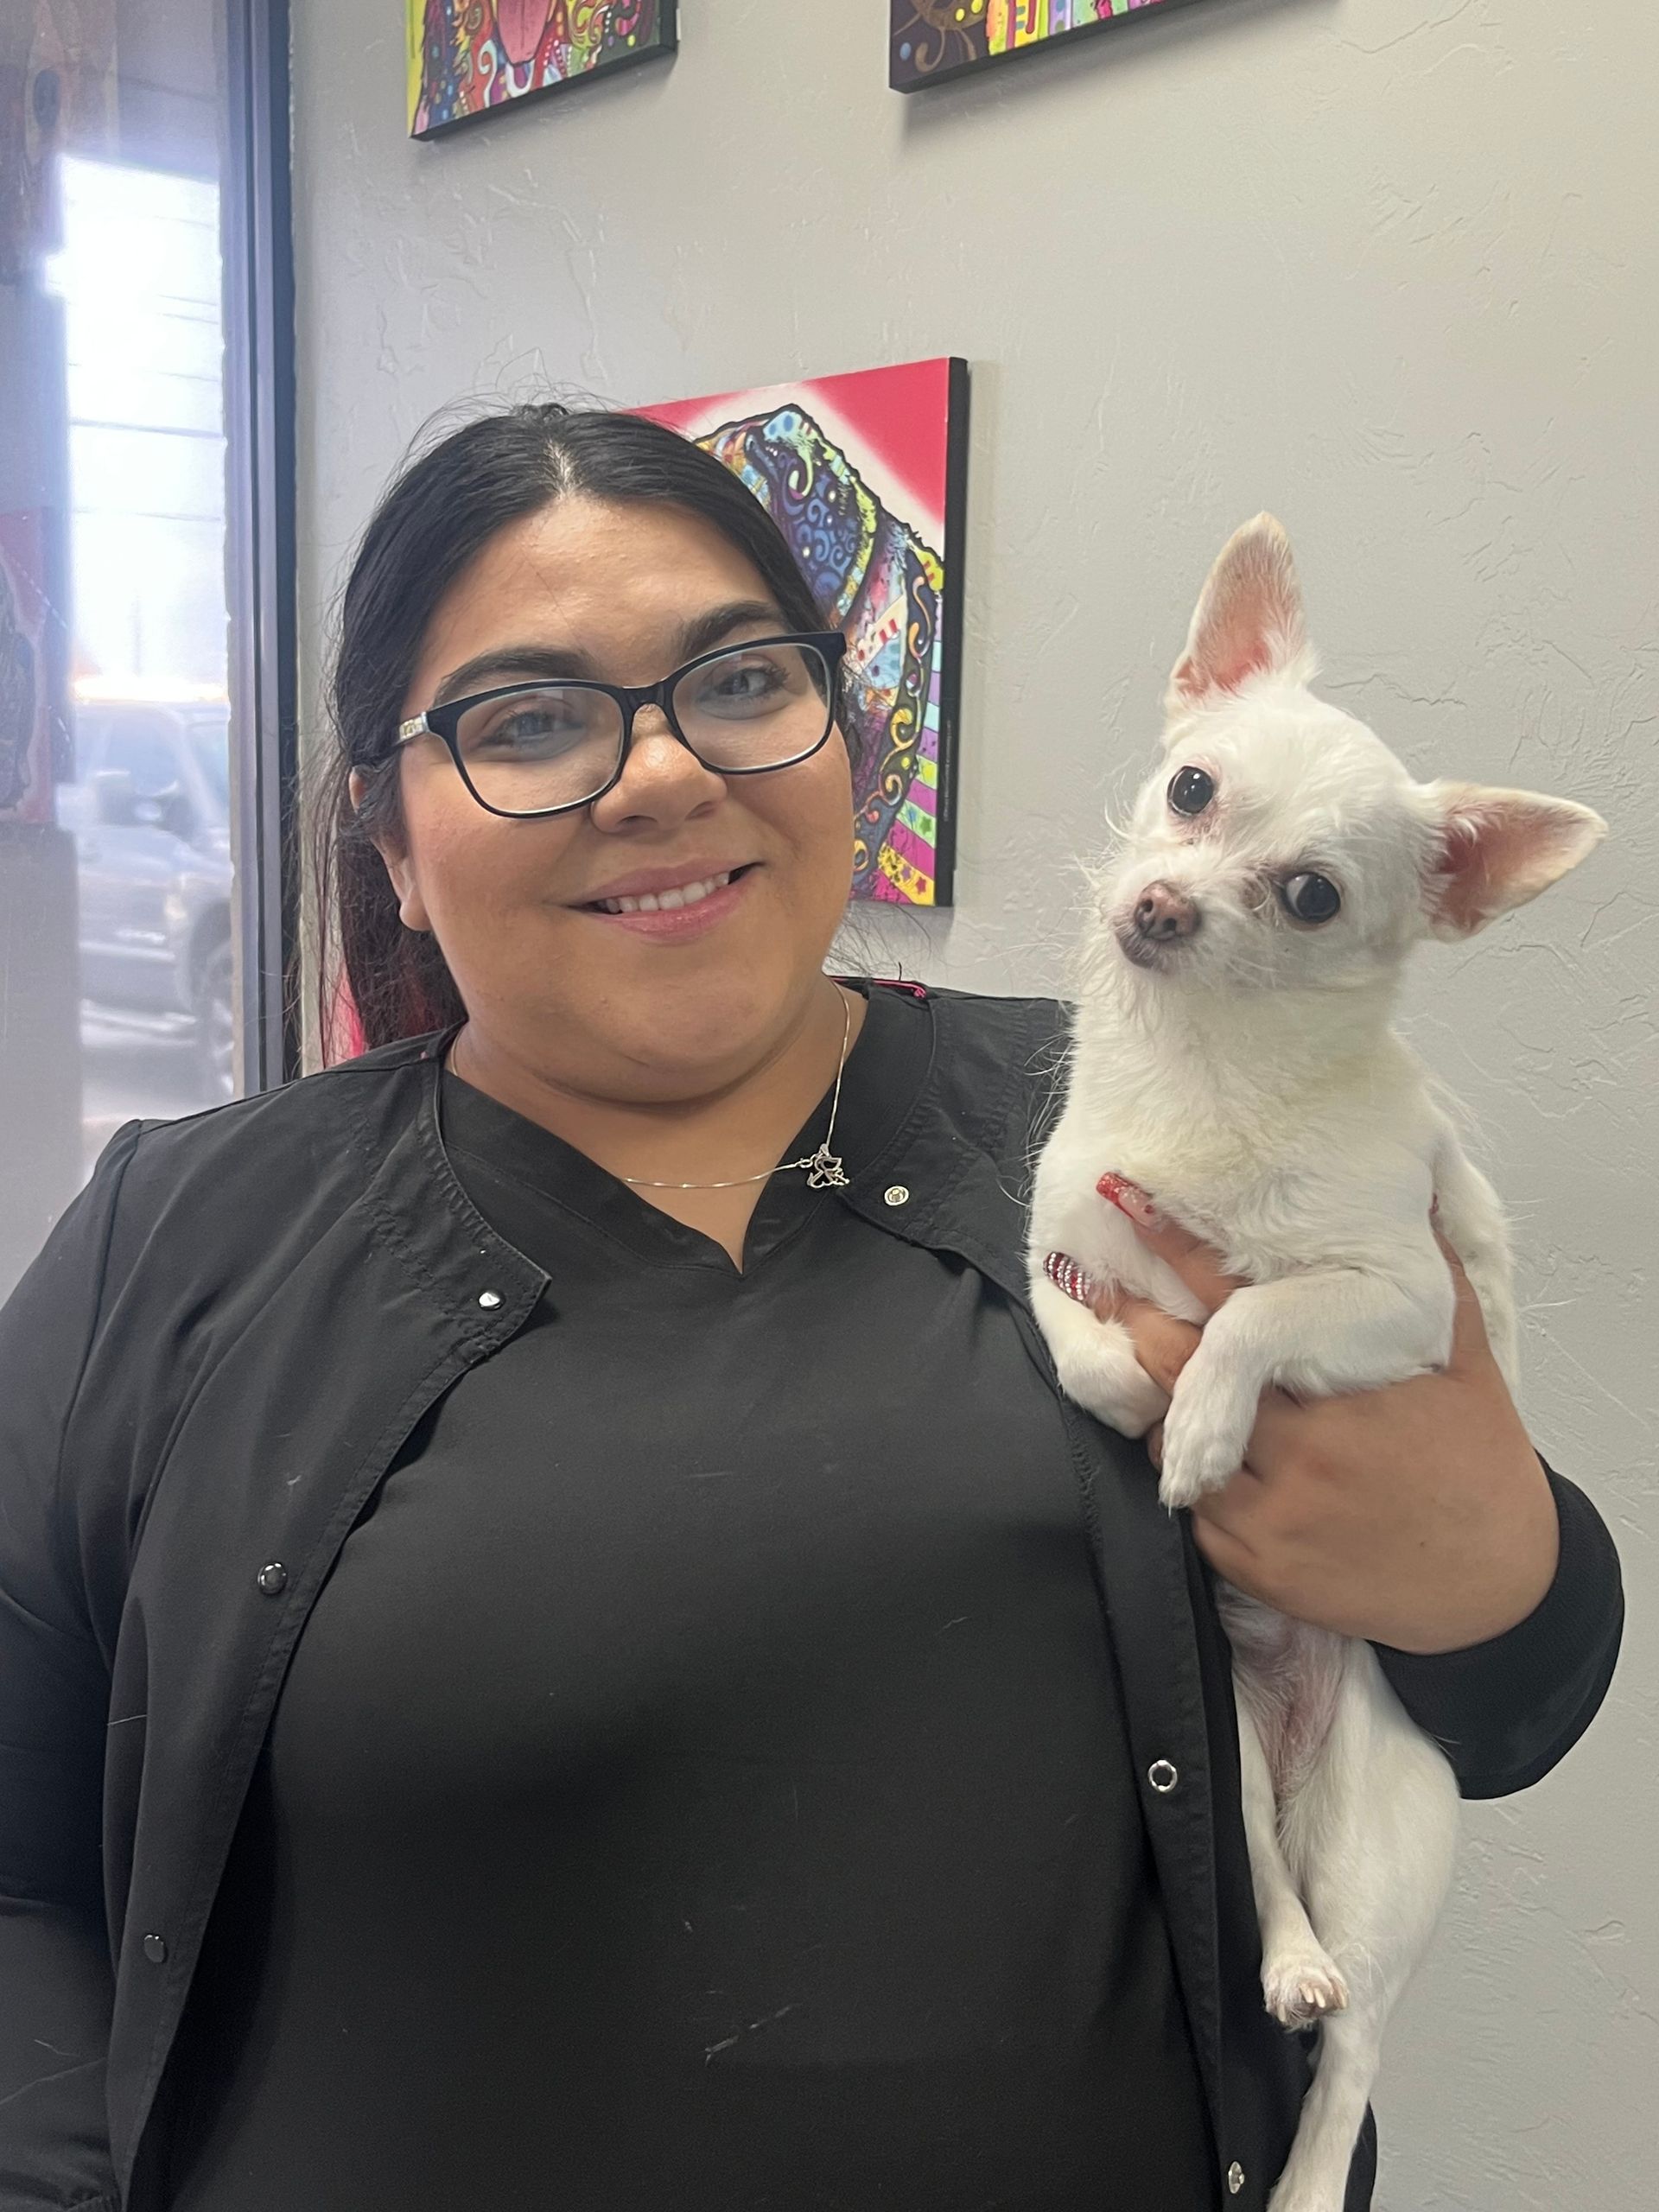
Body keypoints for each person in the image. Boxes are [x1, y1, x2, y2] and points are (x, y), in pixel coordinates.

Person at [0, 405, 1623, 2212]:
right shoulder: (178, 1241)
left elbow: (1513, 1700)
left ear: (847, 734)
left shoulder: (1143, 1138)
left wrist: (1509, 1564)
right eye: (528, 720)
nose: (660, 773)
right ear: (388, 836)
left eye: (740, 681)